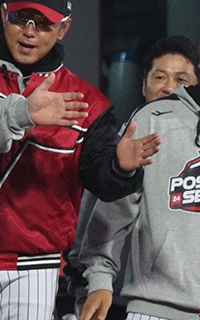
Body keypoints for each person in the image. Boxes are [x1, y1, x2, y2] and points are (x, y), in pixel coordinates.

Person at [0, 0, 160, 319]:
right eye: (20, 18)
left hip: (33, 268)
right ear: (4, 15)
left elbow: (101, 183)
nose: (29, 31)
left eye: (43, 24)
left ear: (63, 29)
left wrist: (120, 167)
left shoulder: (88, 104)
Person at [65, 35, 199, 320]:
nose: (170, 87)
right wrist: (85, 285)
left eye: (182, 79)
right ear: (143, 84)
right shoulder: (131, 140)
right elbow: (97, 222)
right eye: (160, 76)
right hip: (133, 297)